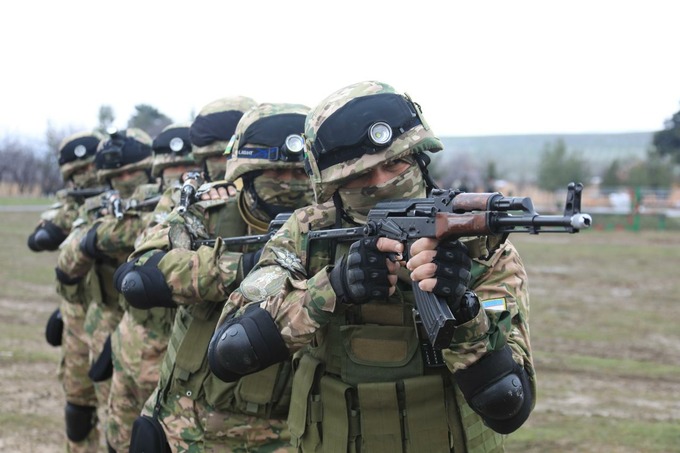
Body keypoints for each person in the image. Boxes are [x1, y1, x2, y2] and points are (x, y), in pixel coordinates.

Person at [209, 81, 535, 452]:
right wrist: (334, 287)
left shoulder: (480, 247)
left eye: (395, 163)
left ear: (419, 158)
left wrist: (463, 310)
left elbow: (508, 404)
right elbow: (230, 350)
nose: (382, 182)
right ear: (333, 185)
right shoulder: (309, 231)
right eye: (362, 175)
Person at [115, 102, 314, 452]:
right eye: (277, 175)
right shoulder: (205, 210)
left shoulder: (334, 224)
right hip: (186, 421)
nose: (290, 184)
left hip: (284, 429)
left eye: (300, 174)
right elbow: (141, 272)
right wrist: (245, 266)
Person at [56, 127, 161, 452]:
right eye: (119, 175)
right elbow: (67, 264)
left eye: (134, 172)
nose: (128, 179)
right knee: (116, 430)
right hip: (106, 323)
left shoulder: (172, 205)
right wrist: (94, 238)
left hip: (161, 332)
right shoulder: (98, 209)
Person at [105, 123, 202, 452]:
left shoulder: (208, 211)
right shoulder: (152, 209)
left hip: (174, 362)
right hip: (130, 346)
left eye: (185, 167)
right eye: (169, 168)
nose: (177, 174)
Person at [29, 131, 106, 452]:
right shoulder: (69, 206)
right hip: (77, 314)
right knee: (78, 405)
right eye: (76, 173)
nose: (84, 178)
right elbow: (39, 239)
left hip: (113, 313)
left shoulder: (123, 205)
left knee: (126, 410)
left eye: (89, 169)